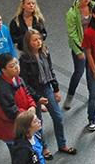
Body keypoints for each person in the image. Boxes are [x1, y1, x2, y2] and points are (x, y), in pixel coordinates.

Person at [19, 28, 76, 156]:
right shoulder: (25, 59)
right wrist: (37, 97)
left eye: (39, 39)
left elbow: (50, 71)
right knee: (37, 121)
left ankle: (62, 145)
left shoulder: (45, 52)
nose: (38, 42)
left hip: (46, 87)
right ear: (28, 42)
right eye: (35, 40)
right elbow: (25, 82)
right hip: (34, 91)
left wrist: (56, 89)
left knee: (58, 117)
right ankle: (43, 147)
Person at [64, 0, 95, 110]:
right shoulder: (72, 13)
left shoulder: (93, 7)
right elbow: (72, 34)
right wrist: (79, 50)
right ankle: (70, 96)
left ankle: (93, 95)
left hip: (91, 45)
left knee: (91, 70)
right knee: (79, 71)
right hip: (79, 45)